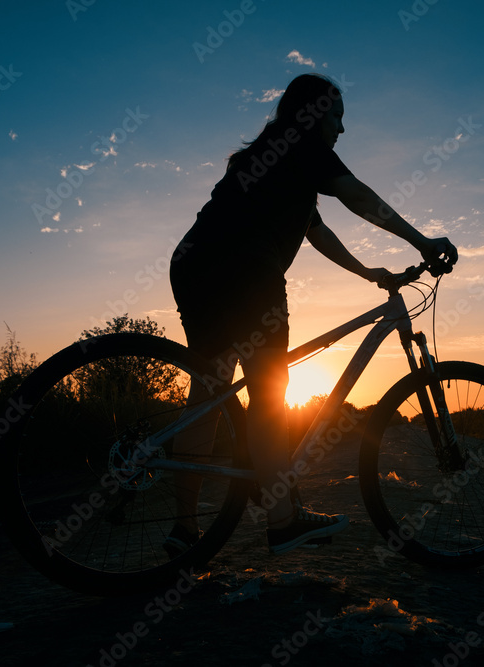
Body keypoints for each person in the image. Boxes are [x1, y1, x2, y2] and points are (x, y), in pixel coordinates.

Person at [167, 73, 457, 555]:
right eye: (337, 117)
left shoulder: (274, 156)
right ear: (312, 113)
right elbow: (359, 196)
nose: (341, 129)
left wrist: (368, 272)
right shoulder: (304, 144)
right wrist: (422, 241)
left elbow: (315, 230)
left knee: (208, 396)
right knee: (268, 393)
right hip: (245, 270)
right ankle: (281, 521)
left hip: (194, 264)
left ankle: (183, 531)